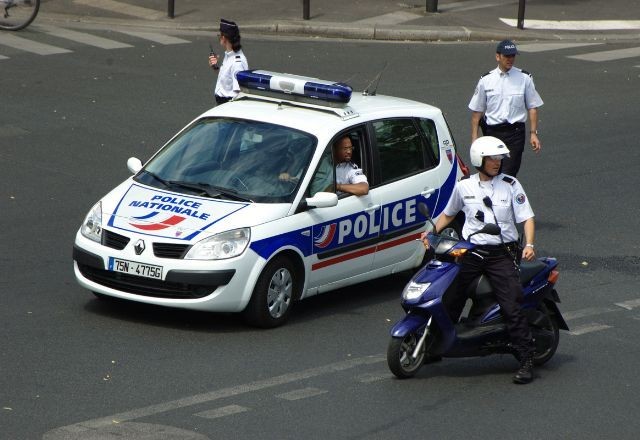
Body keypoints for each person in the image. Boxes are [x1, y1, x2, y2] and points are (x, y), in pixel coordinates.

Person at [422, 136, 537, 384]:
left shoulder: (511, 185)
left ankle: (527, 357)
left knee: (510, 305)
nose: (497, 163)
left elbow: (526, 217)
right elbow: (448, 214)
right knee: (451, 296)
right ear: (479, 160)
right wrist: (430, 233)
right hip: (471, 251)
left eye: (499, 158)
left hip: (501, 253)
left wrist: (528, 244)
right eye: (492, 159)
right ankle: (436, 345)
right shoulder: (464, 187)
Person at [468, 40, 544, 177]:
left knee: (508, 174)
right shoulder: (486, 80)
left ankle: (505, 197)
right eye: (507, 56)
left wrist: (533, 133)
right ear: (498, 57)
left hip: (515, 134)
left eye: (513, 56)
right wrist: (474, 137)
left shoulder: (524, 78)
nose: (510, 59)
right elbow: (477, 111)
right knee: (491, 173)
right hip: (493, 133)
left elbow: (533, 106)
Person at [208, 19, 248, 105]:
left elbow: (239, 93)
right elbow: (227, 78)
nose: (219, 38)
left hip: (227, 106)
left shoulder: (237, 62)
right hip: (222, 104)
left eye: (219, 35)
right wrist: (215, 67)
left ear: (224, 38)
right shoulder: (229, 55)